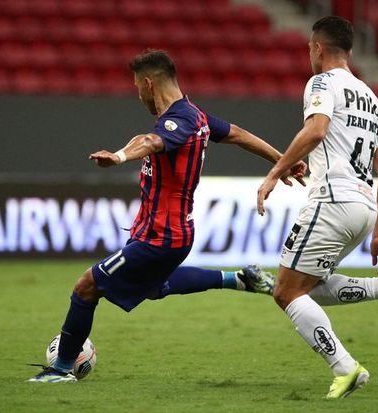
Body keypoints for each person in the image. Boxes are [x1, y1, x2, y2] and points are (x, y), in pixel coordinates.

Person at [28, 49, 306, 383]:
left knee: (86, 286)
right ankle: (238, 279)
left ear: (149, 83)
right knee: (154, 287)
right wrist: (281, 161)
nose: (138, 95)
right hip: (170, 232)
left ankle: (60, 370)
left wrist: (118, 157)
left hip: (159, 236)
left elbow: (149, 141)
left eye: (137, 87)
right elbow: (237, 134)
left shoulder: (181, 120)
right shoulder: (197, 116)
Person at [255, 16, 378, 399]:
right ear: (351, 52)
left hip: (331, 201)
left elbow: (316, 130)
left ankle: (345, 367)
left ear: (318, 48)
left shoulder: (322, 83)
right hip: (363, 208)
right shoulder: (375, 102)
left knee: (285, 292)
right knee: (309, 283)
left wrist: (274, 173)